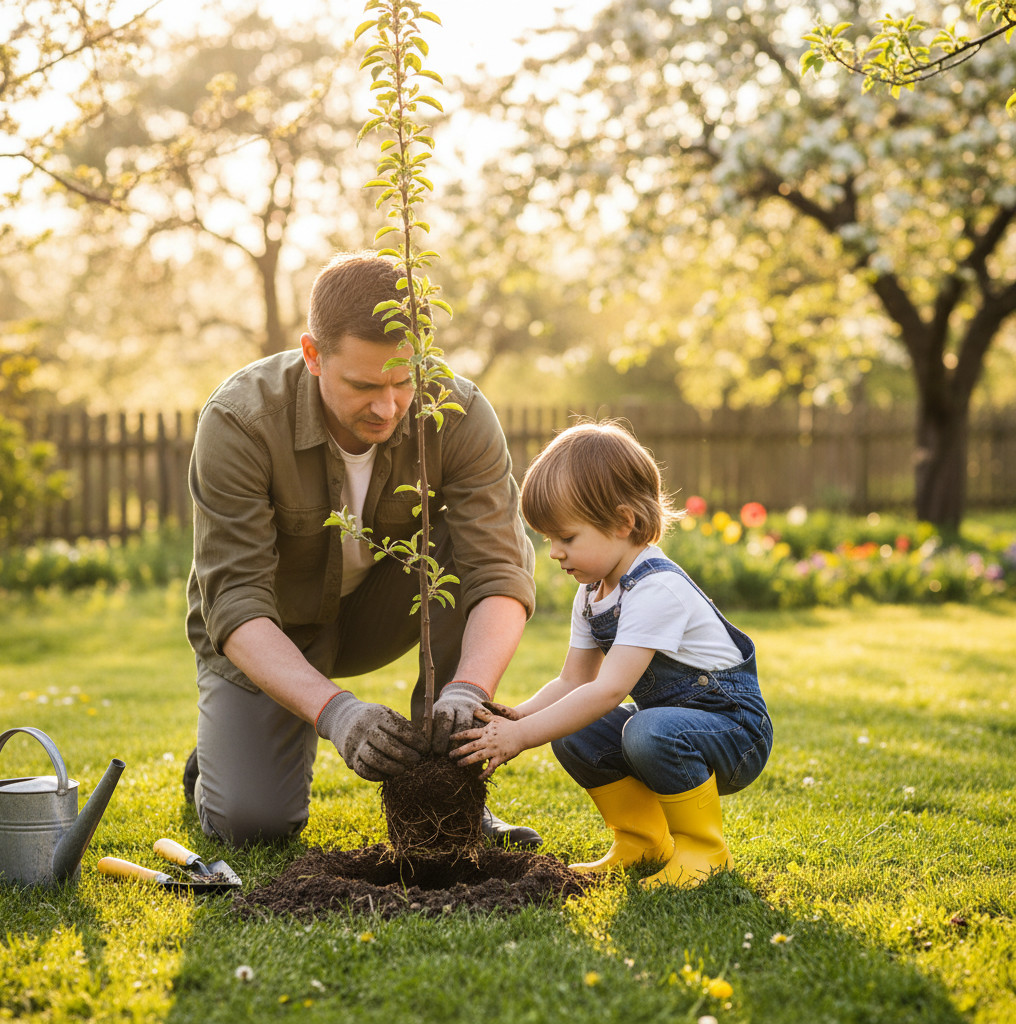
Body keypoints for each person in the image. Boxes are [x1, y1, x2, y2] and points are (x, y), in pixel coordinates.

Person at [183, 251, 540, 848]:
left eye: (405, 382)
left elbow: (501, 573)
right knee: (255, 825)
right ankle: (218, 760)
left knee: (472, 552)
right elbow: (237, 605)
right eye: (364, 385)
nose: (388, 406)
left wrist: (468, 689)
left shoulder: (458, 413)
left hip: (380, 613)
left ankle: (449, 797)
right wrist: (338, 714)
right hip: (279, 627)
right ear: (313, 354)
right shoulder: (239, 422)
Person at [452, 422, 773, 887]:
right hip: (668, 727)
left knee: (645, 727)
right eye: (548, 541)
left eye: (567, 537)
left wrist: (522, 738)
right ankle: (642, 841)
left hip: (734, 732)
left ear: (623, 523)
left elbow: (609, 689)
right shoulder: (593, 592)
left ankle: (704, 851)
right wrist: (516, 718)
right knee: (576, 731)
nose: (556, 554)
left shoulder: (656, 588)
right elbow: (572, 682)